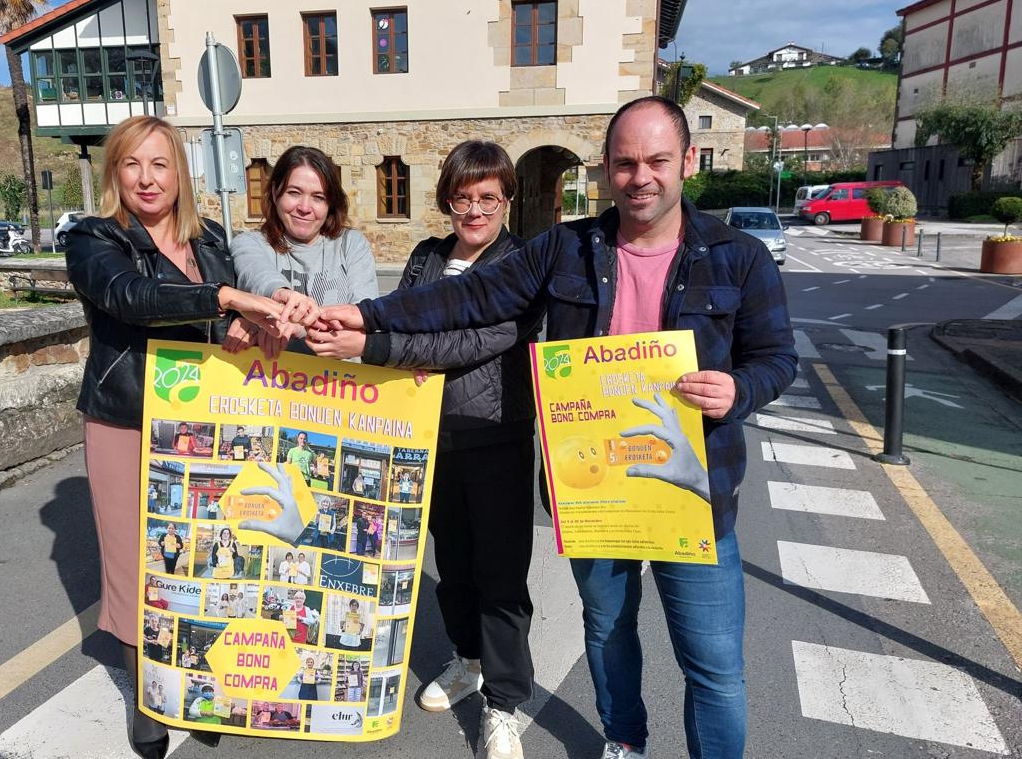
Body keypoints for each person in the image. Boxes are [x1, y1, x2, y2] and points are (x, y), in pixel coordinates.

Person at [312, 98, 797, 759]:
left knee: (712, 666)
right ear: (605, 170)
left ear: (687, 161)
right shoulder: (567, 247)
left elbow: (777, 358)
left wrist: (740, 388)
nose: (641, 177)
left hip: (693, 493)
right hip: (596, 489)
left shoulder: (737, 257)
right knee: (607, 631)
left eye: (657, 160)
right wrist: (365, 317)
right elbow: (469, 295)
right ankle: (624, 743)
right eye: (625, 163)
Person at [66, 114, 304, 759]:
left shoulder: (212, 239)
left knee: (203, 556)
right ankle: (148, 696)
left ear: (181, 174)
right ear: (115, 172)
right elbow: (133, 298)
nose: (147, 178)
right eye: (132, 164)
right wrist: (224, 300)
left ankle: (198, 685)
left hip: (206, 424)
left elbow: (230, 318)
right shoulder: (94, 239)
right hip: (127, 419)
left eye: (160, 164)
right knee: (132, 559)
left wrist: (245, 326)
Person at [308, 139, 542, 759]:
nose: (474, 210)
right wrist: (351, 330)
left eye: (488, 197)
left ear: (506, 200)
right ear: (446, 201)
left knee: (500, 574)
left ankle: (505, 705)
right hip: (423, 434)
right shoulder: (426, 257)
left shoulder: (521, 262)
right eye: (462, 198)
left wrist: (372, 349)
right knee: (452, 566)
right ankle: (469, 661)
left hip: (497, 434)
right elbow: (397, 319)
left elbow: (473, 342)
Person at [226, 145, 378, 357]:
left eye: (318, 197)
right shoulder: (249, 243)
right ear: (275, 193)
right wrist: (280, 296)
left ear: (330, 204)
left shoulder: (351, 244)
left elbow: (364, 315)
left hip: (343, 385)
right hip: (273, 381)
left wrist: (298, 326)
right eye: (294, 193)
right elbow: (258, 275)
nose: (305, 207)